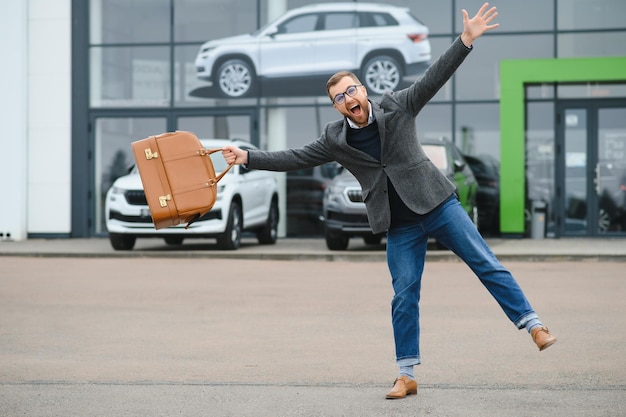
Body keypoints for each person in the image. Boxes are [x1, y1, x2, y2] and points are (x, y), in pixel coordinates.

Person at [222, 3, 556, 400]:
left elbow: (434, 78)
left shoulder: (397, 106)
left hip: (438, 205)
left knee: (485, 263)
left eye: (351, 90)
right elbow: (295, 157)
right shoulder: (334, 139)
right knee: (404, 295)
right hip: (398, 226)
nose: (348, 98)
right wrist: (248, 157)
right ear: (336, 107)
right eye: (339, 97)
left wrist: (465, 41)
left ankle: (533, 324)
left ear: (362, 90)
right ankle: (406, 373)